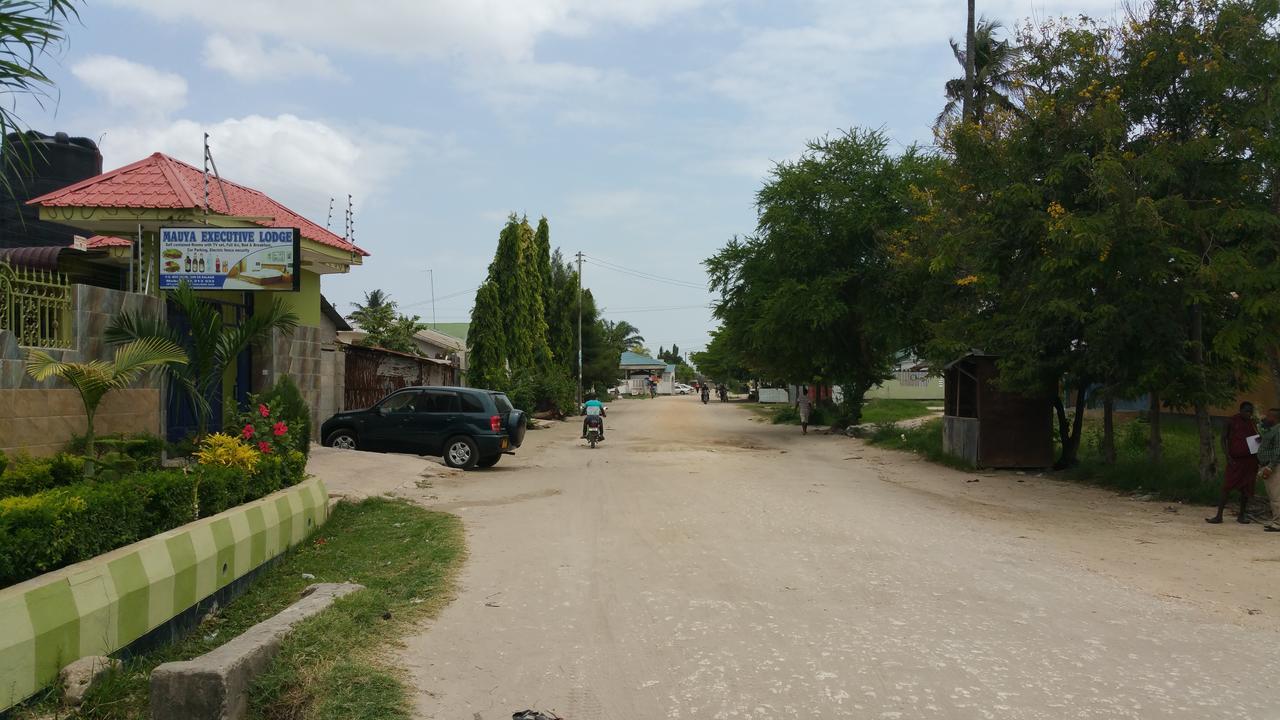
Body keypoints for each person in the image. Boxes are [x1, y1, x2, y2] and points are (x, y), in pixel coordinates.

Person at [1207, 401, 1260, 525]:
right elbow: (1223, 438)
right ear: (1240, 410)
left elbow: (1256, 440)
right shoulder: (1231, 421)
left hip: (1250, 461)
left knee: (1246, 489)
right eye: (1246, 411)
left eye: (1250, 412)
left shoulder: (1253, 423)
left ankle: (1242, 515)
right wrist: (1227, 456)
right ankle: (1219, 515)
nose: (1248, 414)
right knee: (1226, 487)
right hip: (1235, 460)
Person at [1257, 408, 1280, 532]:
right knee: (1272, 495)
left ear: (1275, 418)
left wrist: (1270, 467)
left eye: (1269, 416)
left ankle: (1278, 523)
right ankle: (1275, 520)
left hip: (1274, 467)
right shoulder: (1270, 430)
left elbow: (1278, 451)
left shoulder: (1278, 431)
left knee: (1276, 496)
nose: (1266, 418)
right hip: (1266, 465)